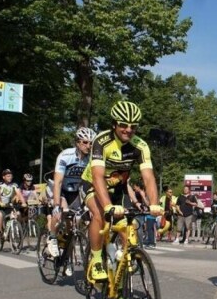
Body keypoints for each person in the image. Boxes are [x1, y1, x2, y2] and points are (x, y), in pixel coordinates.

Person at [80, 101, 161, 282]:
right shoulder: (101, 141)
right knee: (100, 214)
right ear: (114, 124)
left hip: (118, 187)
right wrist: (108, 205)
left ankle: (124, 268)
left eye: (133, 126)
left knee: (127, 226)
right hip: (92, 183)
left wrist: (154, 203)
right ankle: (96, 258)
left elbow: (148, 177)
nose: (128, 130)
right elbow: (98, 176)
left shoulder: (140, 146)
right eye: (123, 125)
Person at [47, 127, 96, 259]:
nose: (88, 146)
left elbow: (93, 182)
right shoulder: (65, 155)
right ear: (77, 142)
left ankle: (66, 254)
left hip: (75, 192)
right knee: (60, 212)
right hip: (60, 189)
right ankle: (52, 238)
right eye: (85, 142)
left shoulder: (91, 159)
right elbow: (57, 182)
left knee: (74, 226)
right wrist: (56, 205)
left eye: (91, 143)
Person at [0, 169, 26, 237]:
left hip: (8, 204)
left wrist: (23, 202)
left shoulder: (14, 185)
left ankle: (19, 229)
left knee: (18, 214)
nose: (10, 177)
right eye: (8, 176)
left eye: (11, 176)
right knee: (0, 214)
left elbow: (19, 194)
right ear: (3, 177)